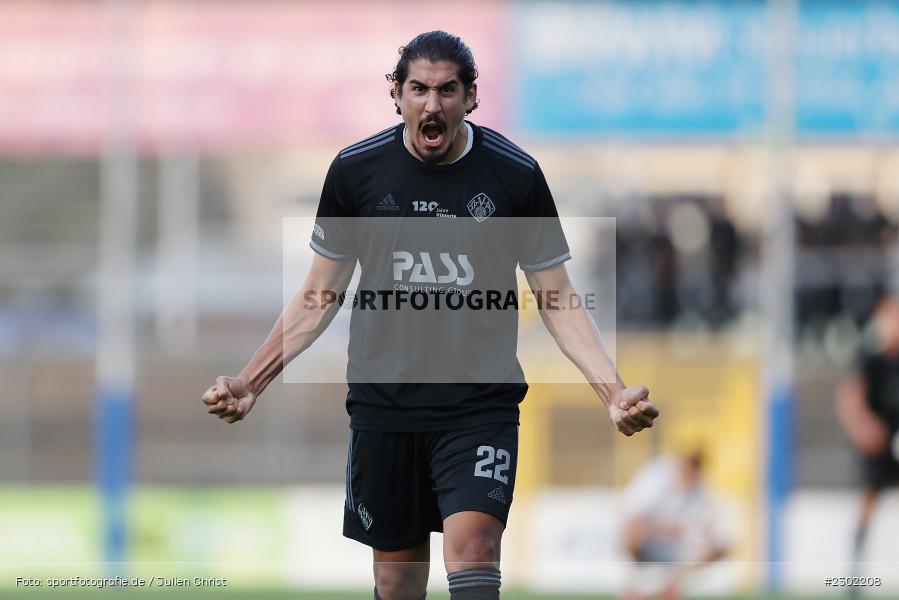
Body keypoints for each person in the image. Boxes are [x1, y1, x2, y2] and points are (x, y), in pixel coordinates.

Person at [201, 31, 659, 600]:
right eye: (418, 89)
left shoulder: (514, 177)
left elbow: (558, 297)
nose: (432, 104)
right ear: (396, 94)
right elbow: (320, 294)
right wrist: (251, 381)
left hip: (478, 406)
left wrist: (610, 391)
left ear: (471, 97)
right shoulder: (356, 173)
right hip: (384, 405)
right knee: (396, 580)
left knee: (474, 548)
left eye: (447, 90)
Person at [837, 294, 899, 586]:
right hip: (878, 447)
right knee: (867, 504)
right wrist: (864, 427)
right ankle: (855, 578)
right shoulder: (870, 360)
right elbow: (851, 396)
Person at [620, 452, 728, 600]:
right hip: (650, 548)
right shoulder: (657, 481)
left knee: (715, 550)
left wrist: (687, 570)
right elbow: (634, 519)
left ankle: (672, 585)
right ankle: (643, 584)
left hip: (677, 555)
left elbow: (713, 539)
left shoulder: (701, 494)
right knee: (635, 542)